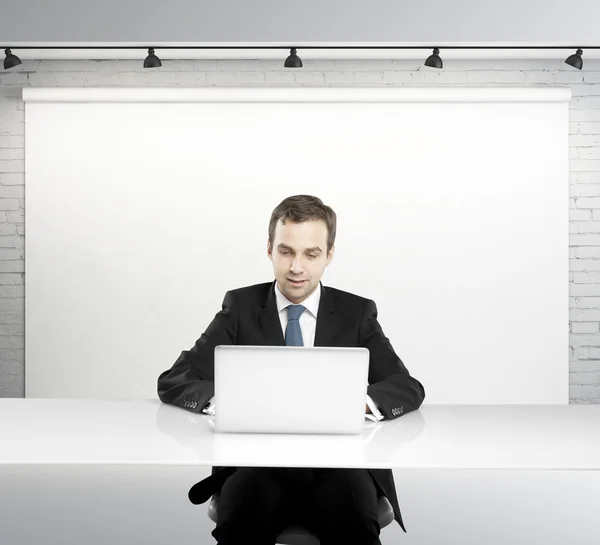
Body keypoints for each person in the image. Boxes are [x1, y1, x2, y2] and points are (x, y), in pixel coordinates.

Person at [157, 194, 426, 545]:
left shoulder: (356, 313)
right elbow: (175, 379)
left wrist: (358, 403)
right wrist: (222, 401)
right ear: (269, 248)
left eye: (311, 254)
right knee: (240, 523)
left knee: (355, 525)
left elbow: (407, 386)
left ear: (329, 254)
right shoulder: (240, 307)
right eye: (286, 252)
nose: (296, 267)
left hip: (340, 467)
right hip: (255, 466)